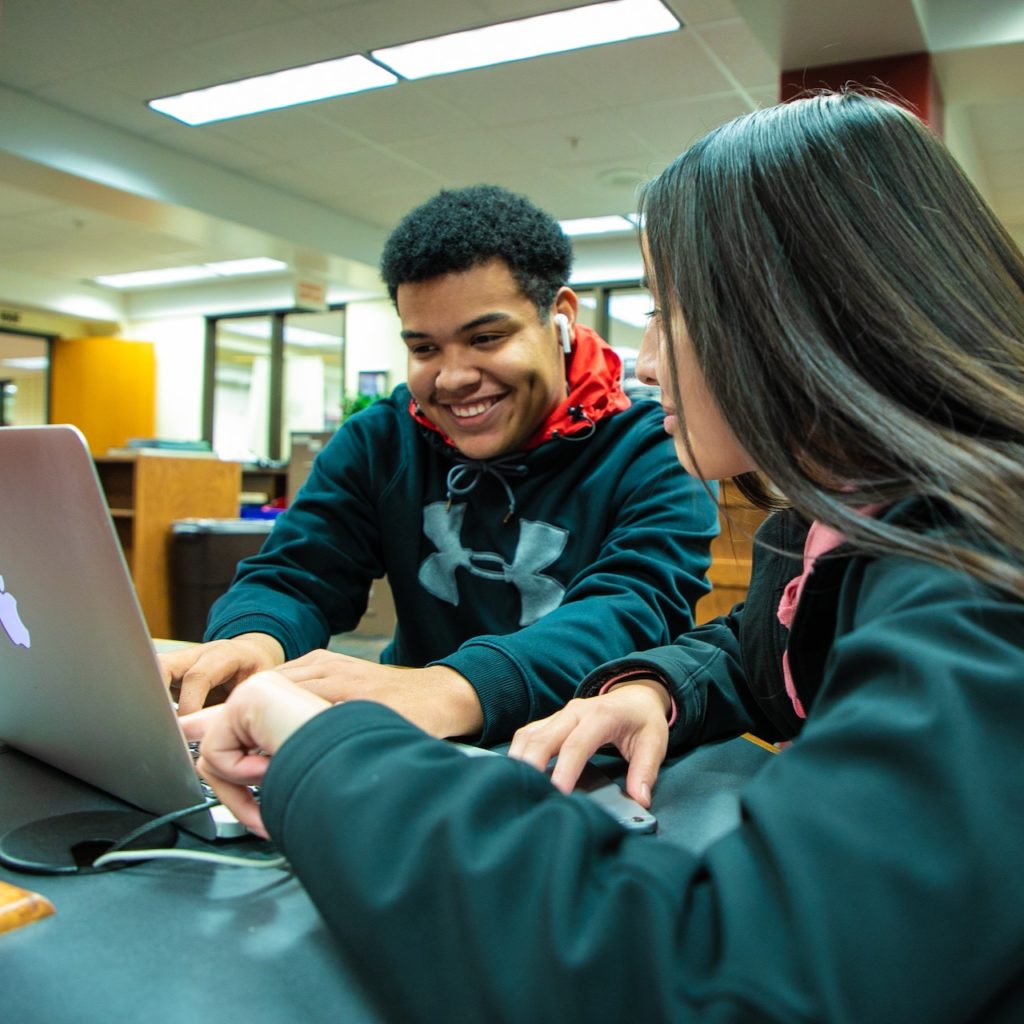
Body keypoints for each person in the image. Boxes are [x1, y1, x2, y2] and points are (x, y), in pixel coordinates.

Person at [183, 92, 1024, 1021]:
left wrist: (326, 756)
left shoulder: (976, 580)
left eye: (667, 313)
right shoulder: (856, 528)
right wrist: (649, 689)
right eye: (424, 346)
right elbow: (761, 641)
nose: (649, 359)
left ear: (798, 316)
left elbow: (709, 978)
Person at [163, 184, 717, 744]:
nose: (452, 378)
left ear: (560, 317)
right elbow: (299, 573)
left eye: (486, 337)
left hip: (586, 750)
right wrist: (253, 639)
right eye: (425, 348)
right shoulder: (379, 439)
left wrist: (455, 688)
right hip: (411, 737)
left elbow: (632, 608)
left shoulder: (657, 446)